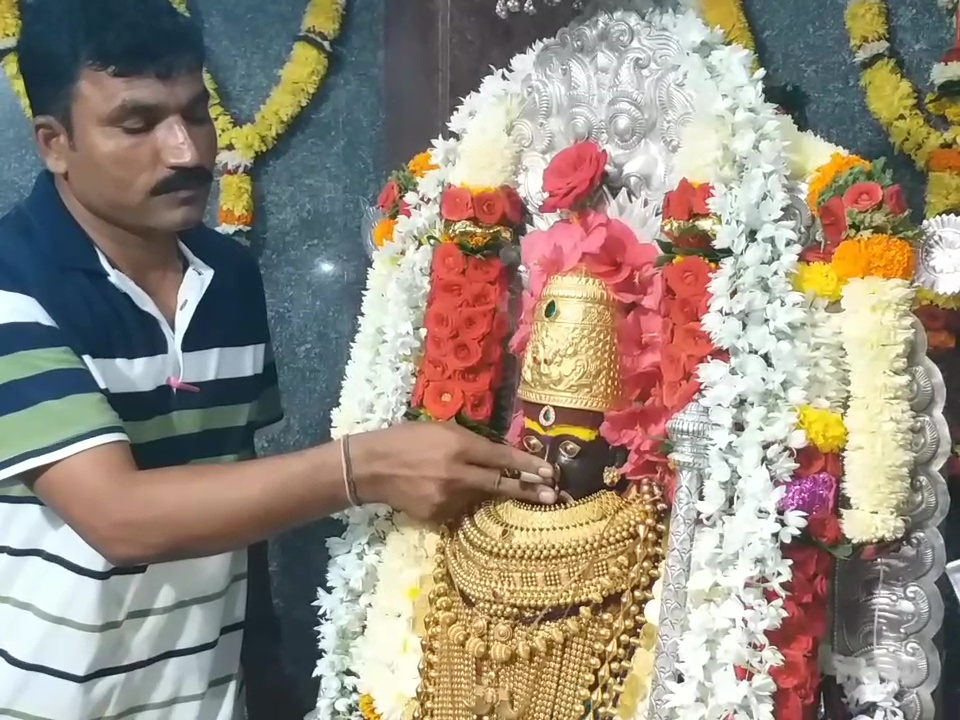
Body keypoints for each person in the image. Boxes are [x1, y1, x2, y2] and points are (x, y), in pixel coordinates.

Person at [0, 1, 557, 719]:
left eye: (195, 114)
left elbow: (236, 483)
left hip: (206, 700)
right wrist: (366, 467)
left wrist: (263, 668)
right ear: (54, 143)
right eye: (137, 125)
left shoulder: (226, 275)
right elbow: (119, 517)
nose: (187, 153)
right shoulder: (14, 286)